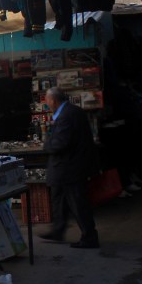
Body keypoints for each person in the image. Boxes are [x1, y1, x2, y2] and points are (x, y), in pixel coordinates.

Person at [39, 87, 101, 248]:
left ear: (53, 100)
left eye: (46, 99)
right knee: (59, 199)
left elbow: (61, 142)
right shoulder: (71, 111)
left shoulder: (67, 115)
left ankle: (90, 237)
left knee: (77, 202)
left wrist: (47, 145)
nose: (46, 102)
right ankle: (58, 231)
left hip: (70, 168)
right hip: (66, 167)